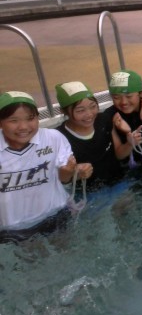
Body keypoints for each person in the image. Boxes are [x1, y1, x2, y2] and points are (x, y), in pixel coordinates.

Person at [0, 91, 92, 243]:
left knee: (66, 249)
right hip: (13, 226)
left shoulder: (52, 138)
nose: (23, 127)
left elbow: (64, 178)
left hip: (55, 212)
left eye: (30, 118)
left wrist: (74, 171)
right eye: (13, 120)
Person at [55, 81, 124, 188]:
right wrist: (77, 175)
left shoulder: (103, 120)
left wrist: (131, 140)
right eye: (80, 110)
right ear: (64, 111)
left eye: (93, 106)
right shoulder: (58, 137)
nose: (89, 114)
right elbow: (59, 179)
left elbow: (119, 153)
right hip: (89, 193)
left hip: (119, 183)